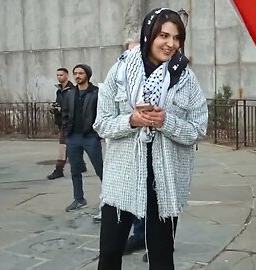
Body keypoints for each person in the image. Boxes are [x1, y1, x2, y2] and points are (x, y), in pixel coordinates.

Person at [93, 8, 208, 269]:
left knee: (161, 258)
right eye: (164, 36)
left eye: (177, 38)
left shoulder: (185, 78)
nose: (171, 44)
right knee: (110, 253)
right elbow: (101, 123)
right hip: (121, 182)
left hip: (164, 183)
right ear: (148, 35)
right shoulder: (120, 72)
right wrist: (131, 121)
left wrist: (166, 122)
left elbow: (198, 128)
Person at [62, 64, 103, 212]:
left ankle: (109, 200)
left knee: (100, 169)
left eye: (81, 73)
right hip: (73, 137)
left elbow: (101, 113)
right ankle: (79, 199)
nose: (77, 76)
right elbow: (65, 114)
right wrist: (67, 131)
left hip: (90, 137)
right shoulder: (70, 93)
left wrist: (97, 134)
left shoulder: (96, 93)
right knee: (75, 170)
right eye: (75, 73)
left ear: (88, 75)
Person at [47, 68, 87, 180]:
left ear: (67, 76)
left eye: (61, 75)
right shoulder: (59, 91)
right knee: (74, 145)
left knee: (63, 146)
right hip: (62, 121)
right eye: (57, 75)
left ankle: (59, 170)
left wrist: (62, 109)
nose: (59, 77)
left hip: (70, 122)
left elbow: (75, 107)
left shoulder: (73, 90)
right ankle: (81, 165)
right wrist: (55, 108)